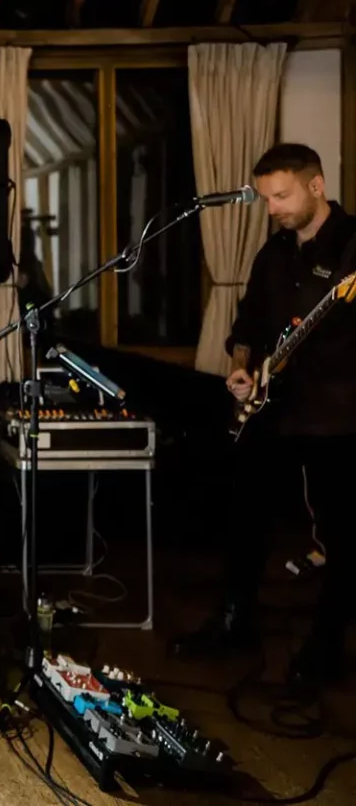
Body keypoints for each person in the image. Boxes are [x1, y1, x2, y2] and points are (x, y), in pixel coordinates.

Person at [171, 143, 356, 689]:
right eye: (266, 197)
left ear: (316, 185)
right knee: (244, 517)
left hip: (337, 414)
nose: (272, 208)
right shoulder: (272, 254)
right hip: (273, 408)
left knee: (343, 533)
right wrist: (242, 368)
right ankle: (234, 622)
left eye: (282, 195)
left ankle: (326, 645)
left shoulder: (351, 246)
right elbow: (248, 322)